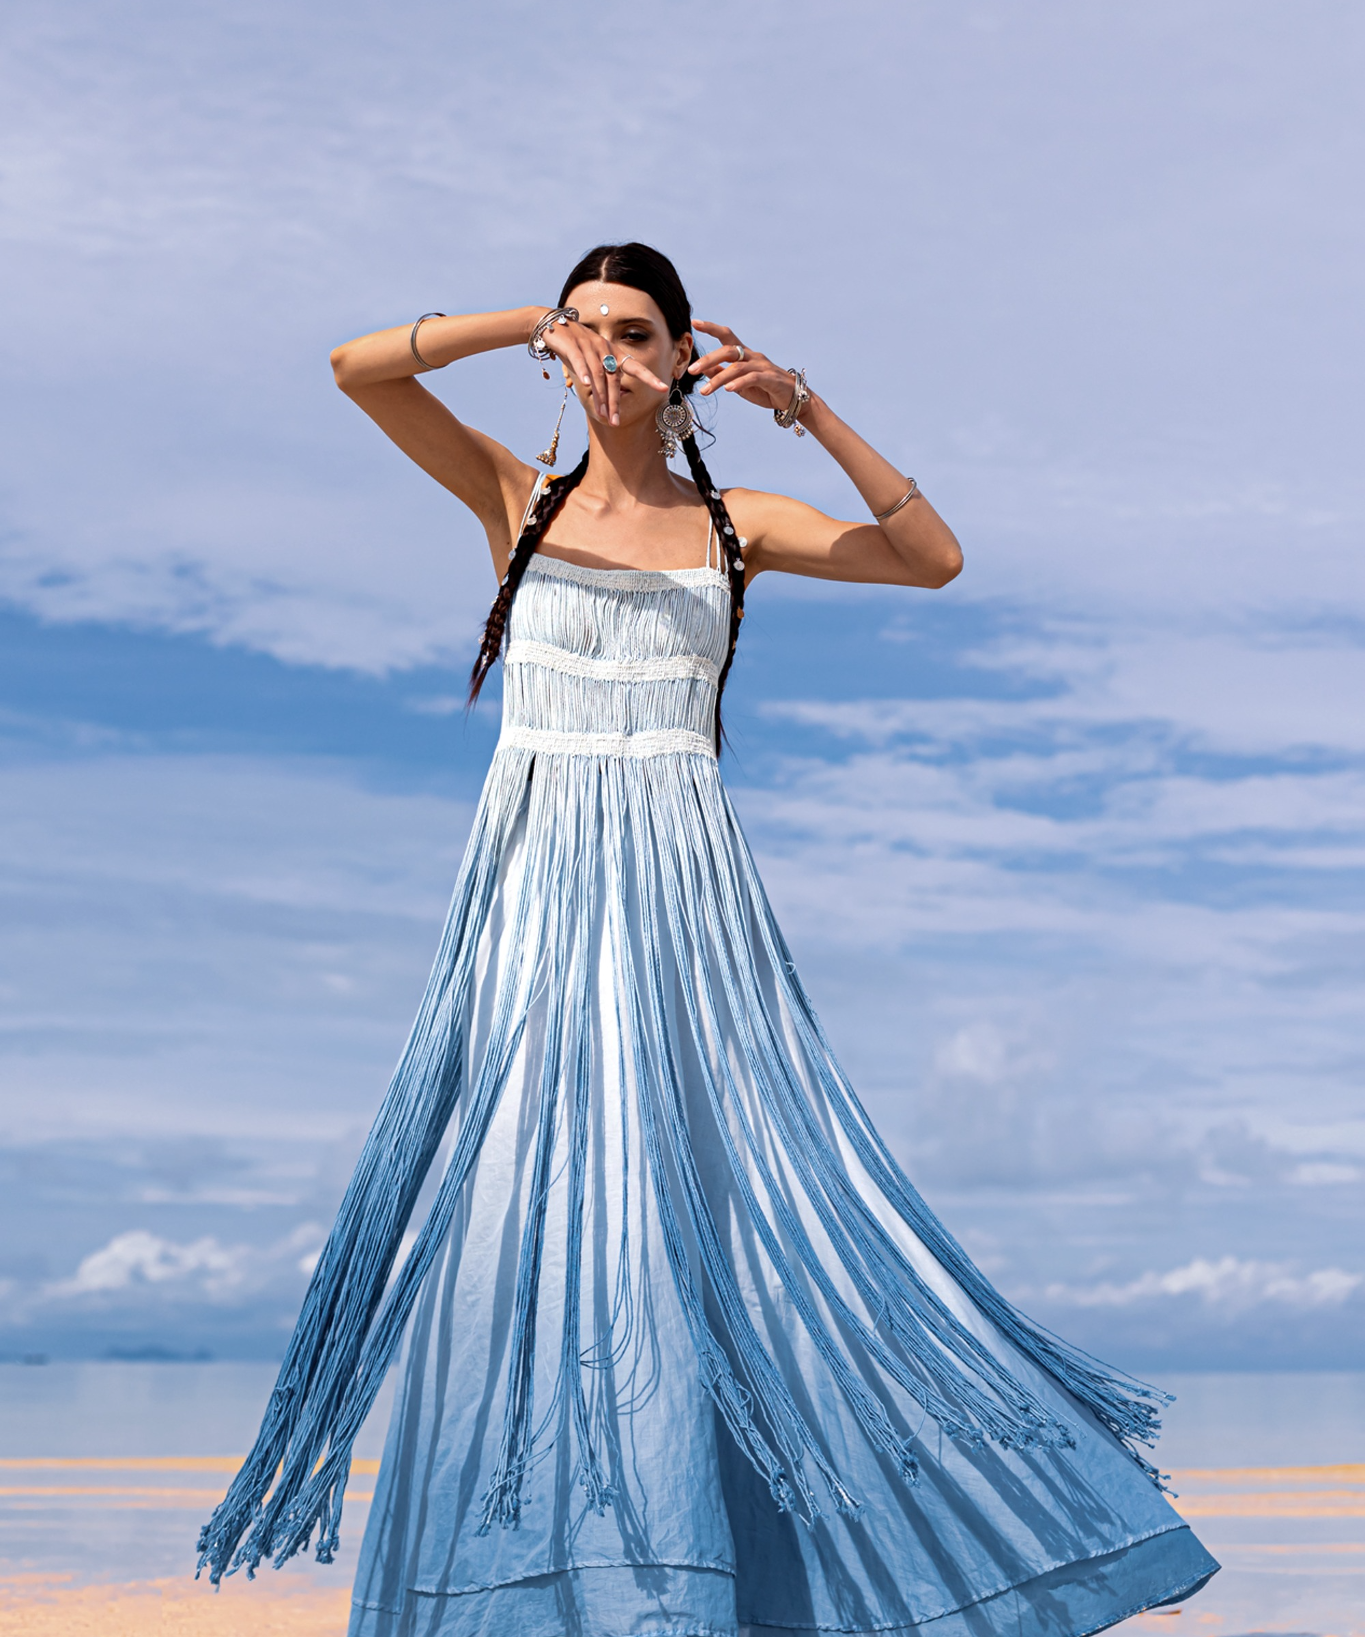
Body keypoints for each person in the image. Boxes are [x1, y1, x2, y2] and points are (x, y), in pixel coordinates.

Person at [198, 243, 1218, 1637]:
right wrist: (528, 323)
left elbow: (932, 559)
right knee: (531, 1238)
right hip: (535, 918)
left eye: (638, 332)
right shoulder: (515, 496)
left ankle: (734, 1591)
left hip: (688, 922)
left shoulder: (739, 523)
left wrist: (809, 406)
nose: (610, 352)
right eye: (591, 331)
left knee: (718, 1232)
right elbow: (355, 368)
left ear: (687, 357)